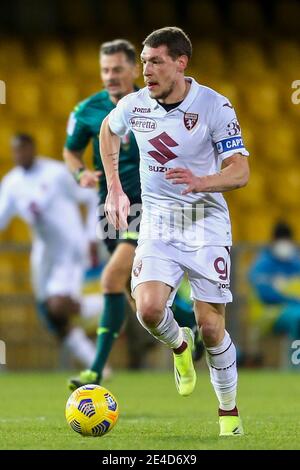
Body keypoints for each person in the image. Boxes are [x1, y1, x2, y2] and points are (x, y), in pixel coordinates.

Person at [99, 27, 250, 436]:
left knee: (213, 327)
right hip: (158, 222)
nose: (146, 69)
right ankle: (180, 346)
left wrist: (203, 181)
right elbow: (108, 131)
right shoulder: (134, 105)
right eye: (144, 61)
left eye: (155, 61)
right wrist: (114, 186)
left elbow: (240, 171)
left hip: (205, 223)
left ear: (180, 63)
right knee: (147, 310)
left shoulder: (214, 105)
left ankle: (228, 415)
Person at [64, 39, 200, 389]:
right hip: (109, 209)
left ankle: (95, 370)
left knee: (110, 279)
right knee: (135, 292)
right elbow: (71, 152)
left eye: (118, 70)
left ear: (133, 70)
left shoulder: (150, 106)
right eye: (105, 70)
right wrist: (81, 173)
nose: (111, 76)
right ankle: (191, 326)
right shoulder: (86, 111)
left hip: (148, 209)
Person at [0, 134, 99, 367]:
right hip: (43, 256)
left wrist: (92, 235)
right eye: (15, 151)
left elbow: (92, 195)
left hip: (70, 250)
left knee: (57, 306)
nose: (19, 155)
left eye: (23, 150)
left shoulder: (56, 173)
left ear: (33, 149)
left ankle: (111, 304)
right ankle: (97, 365)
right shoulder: (12, 182)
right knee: (50, 314)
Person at [249, 222, 300, 364]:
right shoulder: (262, 264)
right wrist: (292, 300)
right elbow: (265, 294)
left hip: (292, 309)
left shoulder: (296, 262)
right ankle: (295, 365)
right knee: (298, 318)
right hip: (268, 313)